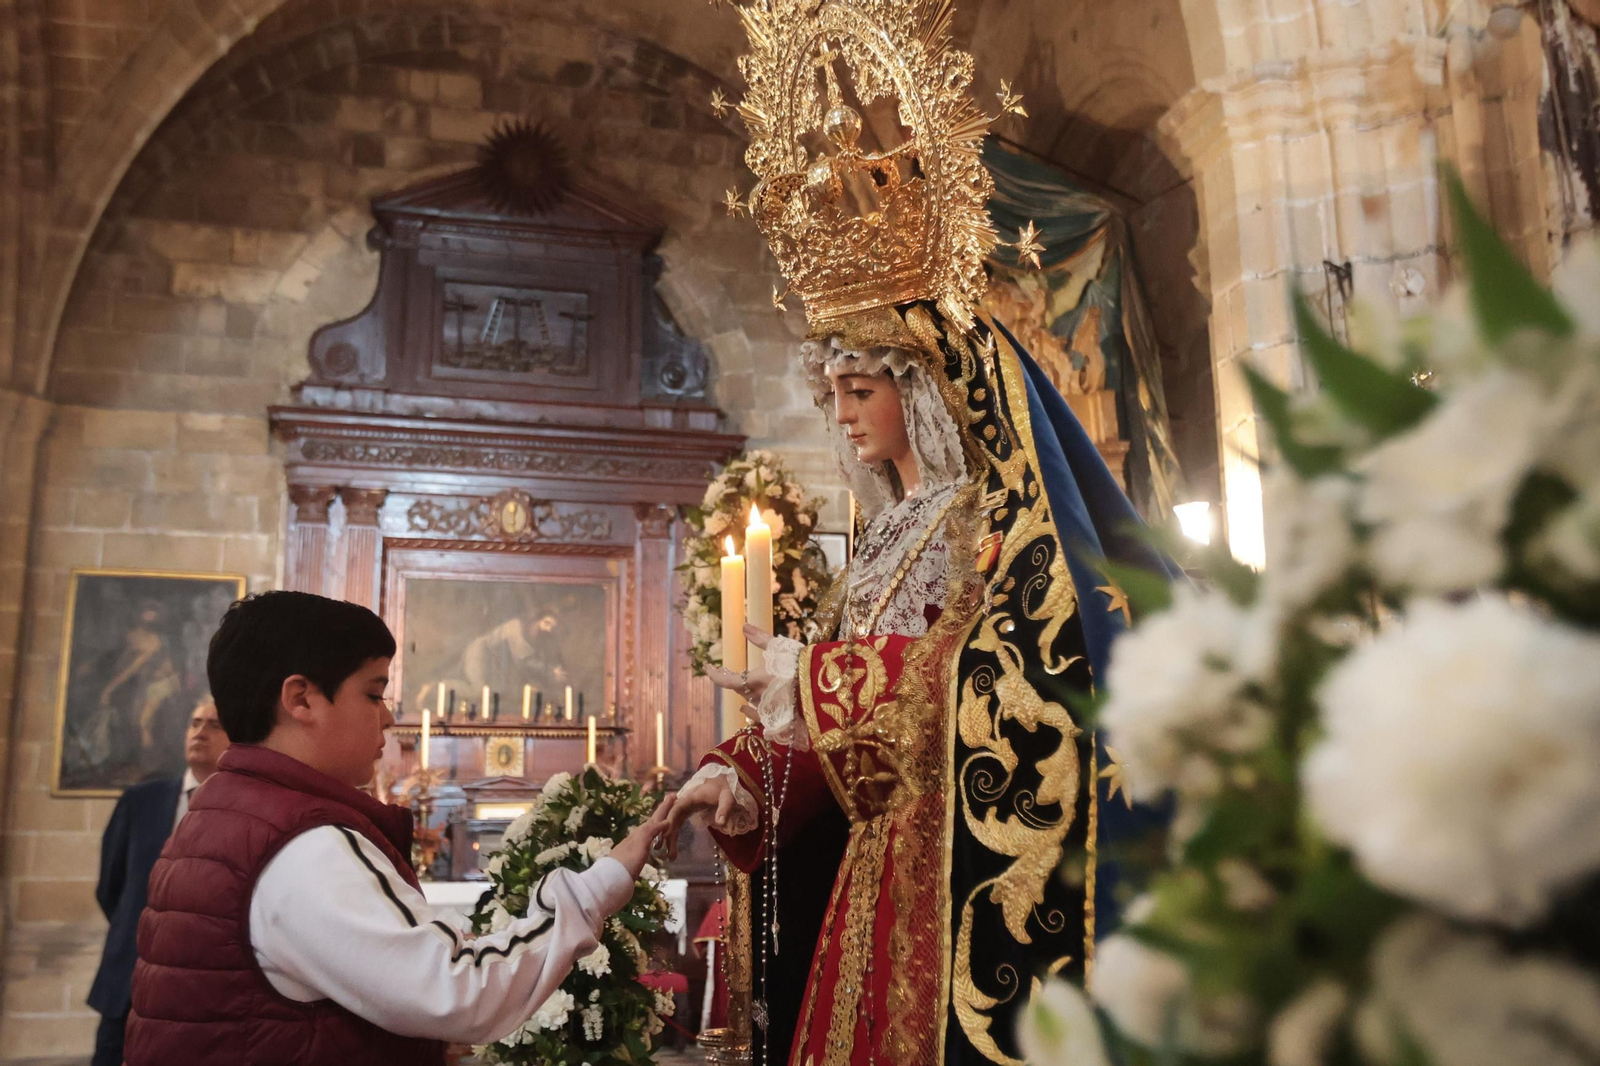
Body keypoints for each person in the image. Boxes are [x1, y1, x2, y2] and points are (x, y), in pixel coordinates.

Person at [664, 1, 1177, 1062]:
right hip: (875, 860)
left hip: (949, 859)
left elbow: (998, 678)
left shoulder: (986, 521)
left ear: (929, 391)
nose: (843, 412)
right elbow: (830, 730)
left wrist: (816, 679)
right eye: (834, 392)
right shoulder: (888, 531)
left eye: (861, 386)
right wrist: (746, 768)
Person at [125, 590, 674, 1066]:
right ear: (300, 699)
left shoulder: (228, 811)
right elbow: (457, 990)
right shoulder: (302, 845)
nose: (388, 716)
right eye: (372, 692)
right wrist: (601, 883)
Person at [88, 696, 230, 1066]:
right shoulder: (141, 801)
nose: (201, 732)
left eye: (215, 725)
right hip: (126, 984)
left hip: (201, 997)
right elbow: (111, 888)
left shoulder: (239, 810)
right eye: (195, 723)